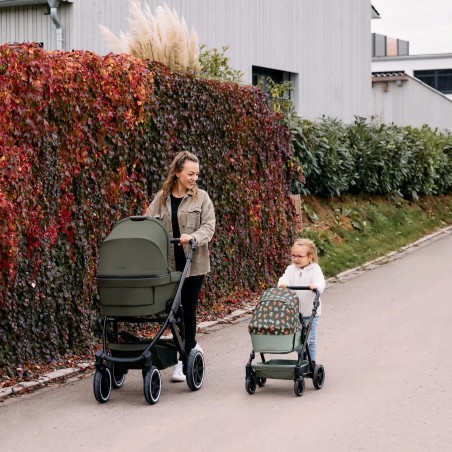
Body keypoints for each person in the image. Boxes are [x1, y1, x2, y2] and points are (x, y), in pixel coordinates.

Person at [145, 151, 215, 382]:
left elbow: (209, 226)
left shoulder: (201, 198)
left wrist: (193, 237)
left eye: (197, 174)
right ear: (177, 173)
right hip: (169, 265)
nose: (195, 178)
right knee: (172, 312)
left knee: (188, 309)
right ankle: (190, 344)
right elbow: (148, 223)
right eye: (190, 173)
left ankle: (184, 359)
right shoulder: (161, 198)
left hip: (193, 264)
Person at [278, 238, 326, 367]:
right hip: (294, 313)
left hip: (311, 312)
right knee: (299, 341)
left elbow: (320, 281)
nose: (296, 259)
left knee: (310, 340)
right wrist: (283, 284)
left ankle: (311, 363)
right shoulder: (291, 269)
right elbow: (284, 279)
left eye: (300, 256)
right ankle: (302, 361)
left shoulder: (315, 269)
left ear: (310, 256)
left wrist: (316, 286)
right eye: (293, 256)